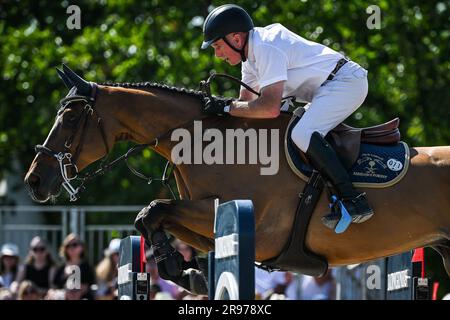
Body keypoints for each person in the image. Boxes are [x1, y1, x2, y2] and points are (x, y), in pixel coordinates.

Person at [200, 4, 374, 228]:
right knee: (289, 132)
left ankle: (353, 200)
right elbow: (246, 107)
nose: (217, 54)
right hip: (327, 89)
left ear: (235, 38)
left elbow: (269, 107)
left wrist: (226, 107)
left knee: (302, 134)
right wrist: (220, 114)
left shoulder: (265, 47)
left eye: (217, 46)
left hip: (346, 83)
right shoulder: (250, 58)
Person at [52, 234, 96, 300]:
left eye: (74, 245)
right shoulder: (60, 267)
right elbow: (54, 286)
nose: (71, 248)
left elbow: (89, 286)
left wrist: (73, 292)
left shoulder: (87, 267)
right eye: (68, 246)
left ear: (82, 247)